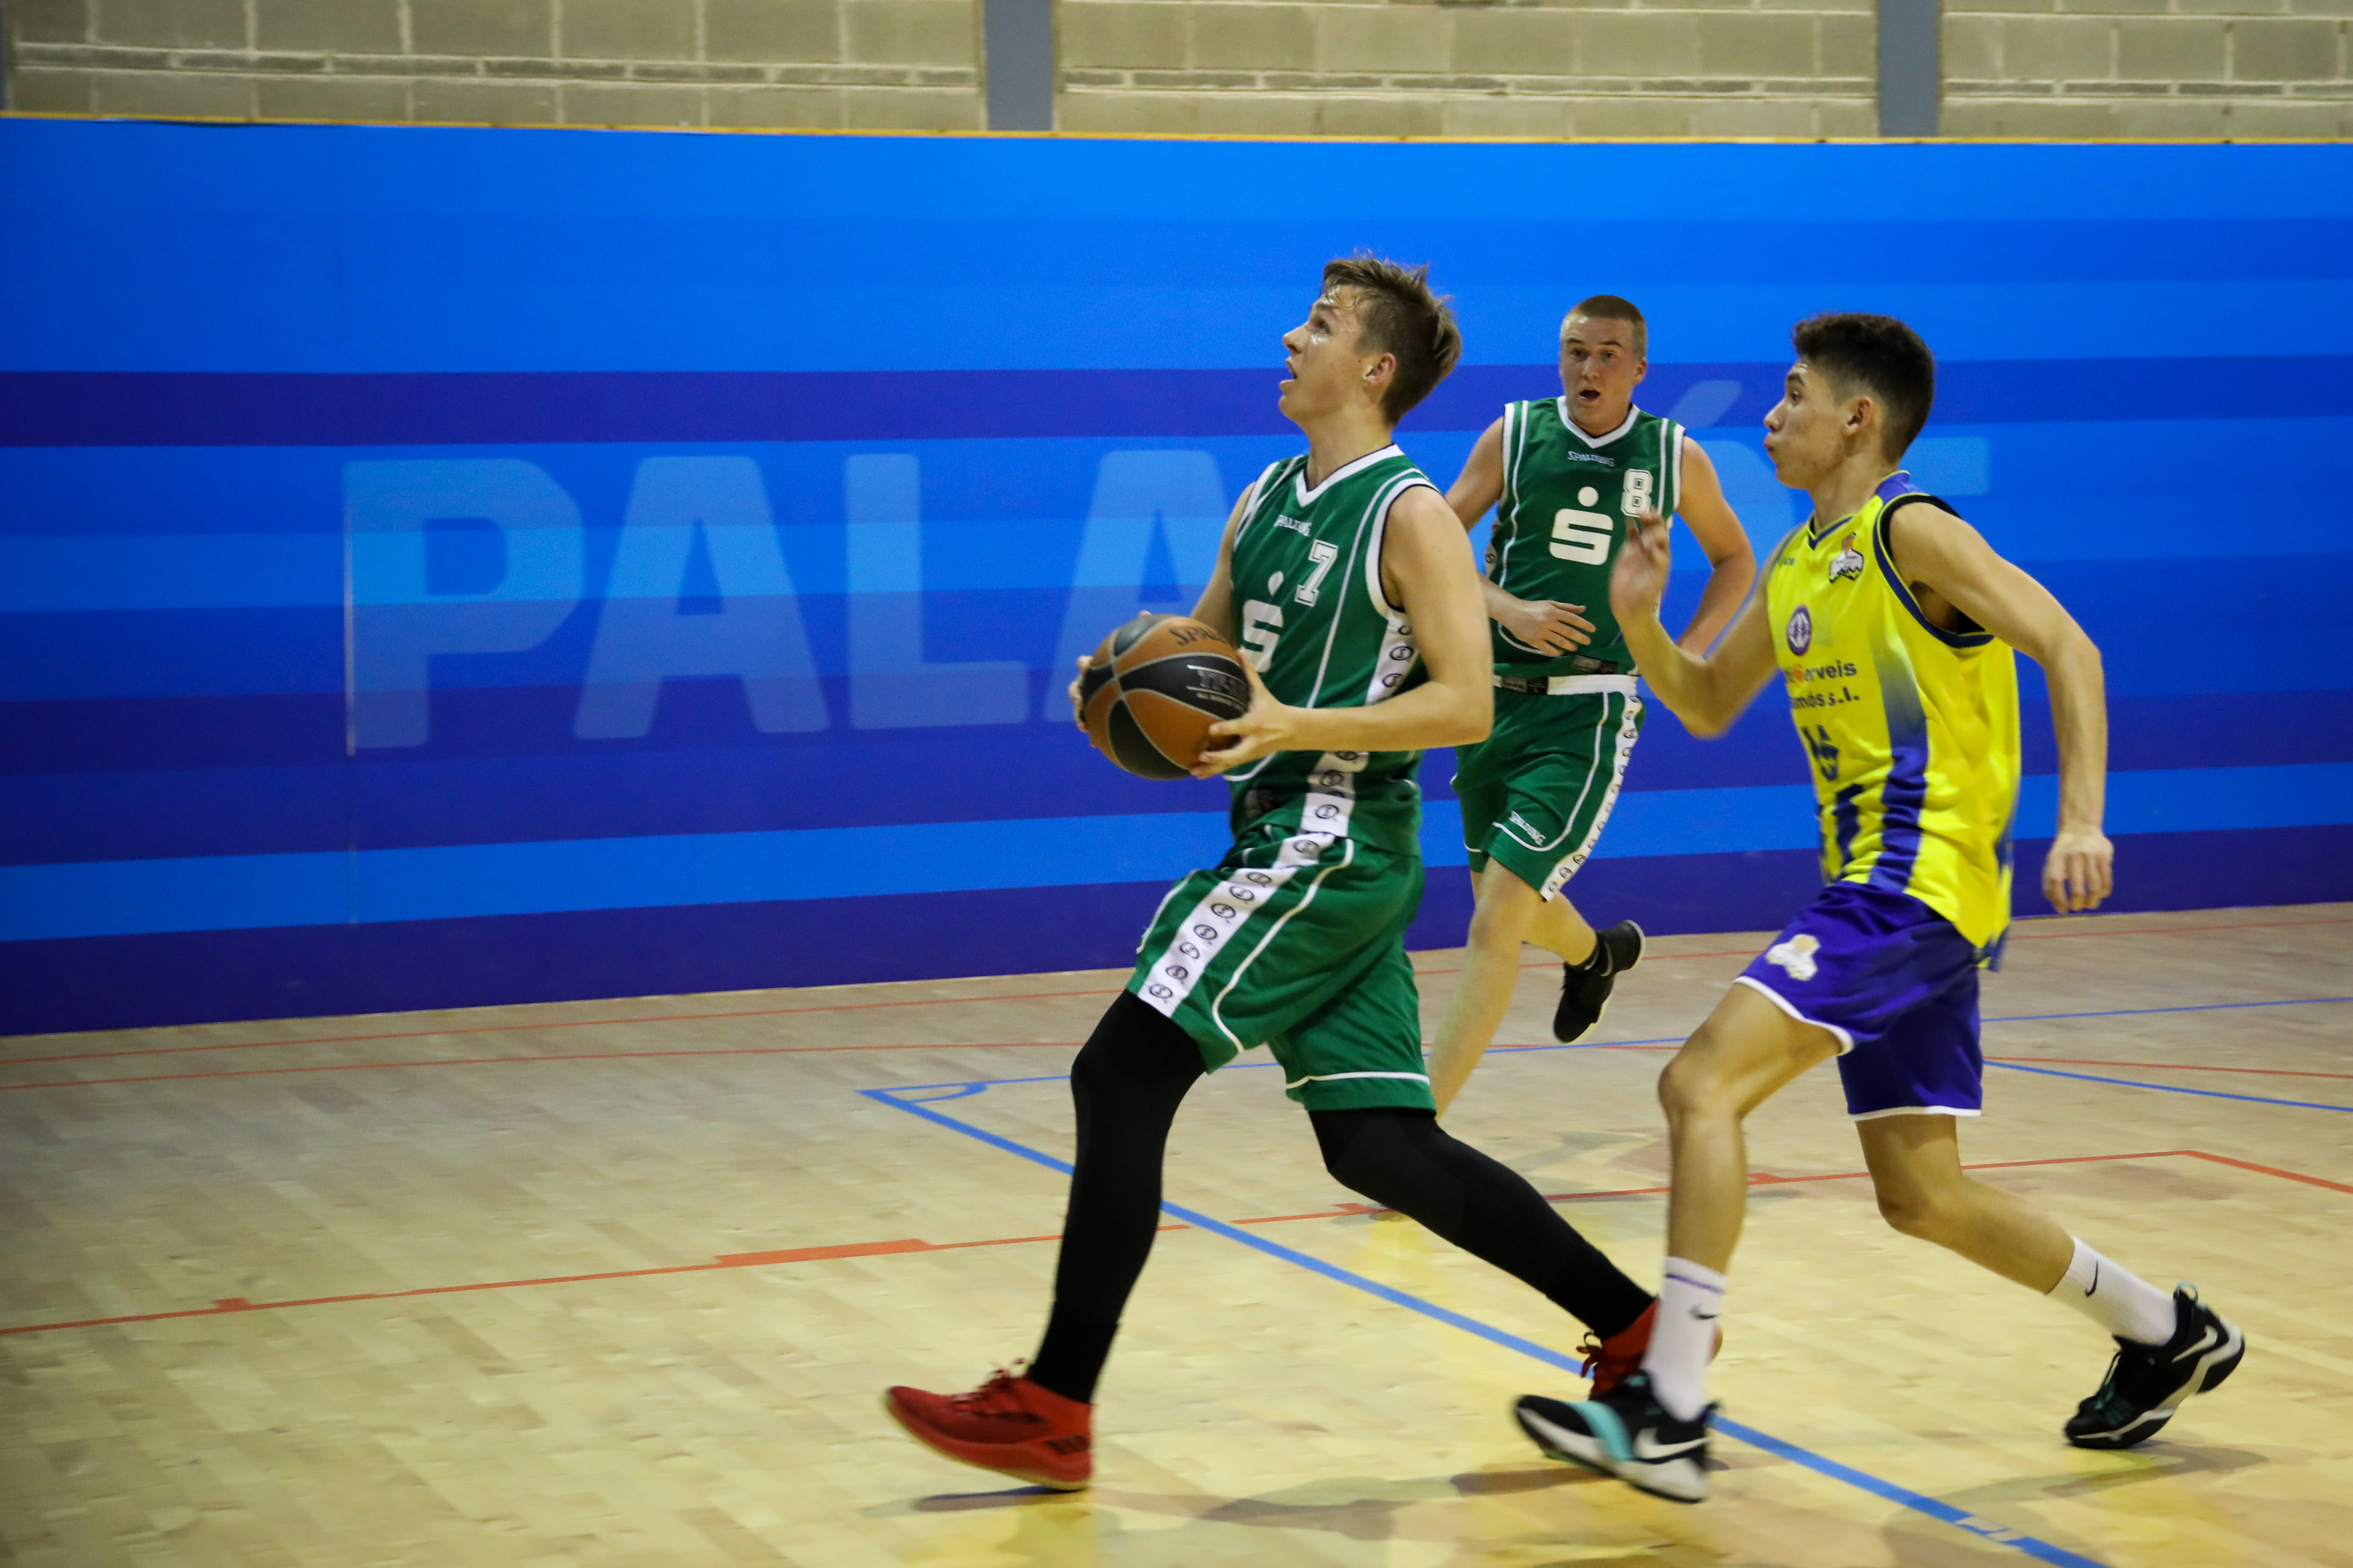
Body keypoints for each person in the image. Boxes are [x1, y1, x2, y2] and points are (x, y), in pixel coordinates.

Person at [884, 258, 1658, 1492]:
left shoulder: (1409, 513)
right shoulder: (1261, 497)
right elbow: (1209, 664)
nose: (1292, 338)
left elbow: (1465, 703)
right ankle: (1633, 1327)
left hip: (1332, 838)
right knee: (1378, 1146)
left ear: (1376, 369)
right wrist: (1124, 687)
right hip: (1286, 834)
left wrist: (1297, 725)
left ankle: (1055, 1402)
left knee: (1119, 1071)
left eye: (1322, 325)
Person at [1511, 313, 2244, 1504]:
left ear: (1857, 418)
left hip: (1914, 887)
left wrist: (2082, 819)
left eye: (1793, 394)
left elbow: (2069, 645)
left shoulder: (1913, 530)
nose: (1771, 414)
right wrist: (1641, 618)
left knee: (1698, 1085)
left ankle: (1672, 1409)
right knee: (1922, 1197)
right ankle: (2165, 1331)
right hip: (1888, 898)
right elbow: (1707, 701)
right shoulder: (1801, 559)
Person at [1429, 296, 1756, 1125]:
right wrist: (1509, 610)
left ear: (1639, 369)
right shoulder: (1515, 433)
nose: (1590, 367)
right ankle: (1597, 955)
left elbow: (1734, 558)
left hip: (1589, 705)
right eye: (1577, 351)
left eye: (1609, 353)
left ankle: (1417, 1121)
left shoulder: (1672, 454)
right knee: (1502, 900)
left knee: (1497, 917)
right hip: (1491, 698)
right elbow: (1428, 546)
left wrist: (1682, 652)